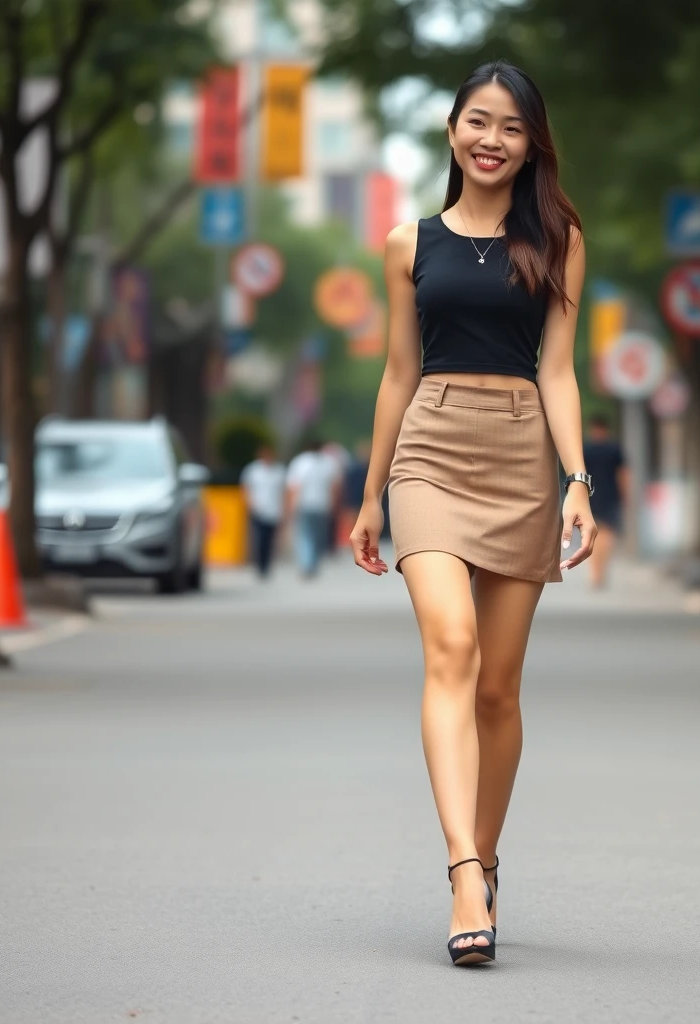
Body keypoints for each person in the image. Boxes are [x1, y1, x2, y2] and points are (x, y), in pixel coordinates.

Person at [349, 60, 596, 966]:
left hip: (524, 452)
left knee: (498, 686)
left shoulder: (560, 236)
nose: (492, 140)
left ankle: (487, 860)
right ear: (451, 130)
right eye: (477, 122)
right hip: (432, 449)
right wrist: (372, 495)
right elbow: (397, 375)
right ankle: (462, 873)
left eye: (513, 127)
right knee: (450, 647)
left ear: (533, 143)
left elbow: (560, 369)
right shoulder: (407, 244)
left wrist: (579, 480)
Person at [583, 413, 629, 589]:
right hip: (611, 496)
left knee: (592, 536)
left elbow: (581, 474)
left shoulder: (586, 450)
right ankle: (600, 571)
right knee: (607, 536)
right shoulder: (614, 449)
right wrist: (625, 495)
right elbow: (623, 474)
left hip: (592, 496)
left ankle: (596, 573)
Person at [285, 439, 342, 578]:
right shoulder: (329, 463)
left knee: (305, 535)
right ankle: (312, 563)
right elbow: (334, 486)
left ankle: (307, 563)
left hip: (304, 504)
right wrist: (334, 504)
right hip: (323, 504)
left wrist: (291, 505)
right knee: (318, 536)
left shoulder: (300, 462)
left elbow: (294, 485)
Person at [240, 443, 285, 579]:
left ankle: (266, 565)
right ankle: (259, 564)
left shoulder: (278, 471)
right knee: (259, 539)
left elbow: (284, 491)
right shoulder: (253, 470)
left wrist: (284, 509)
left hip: (273, 511)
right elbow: (246, 488)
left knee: (269, 540)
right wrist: (250, 504)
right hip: (258, 510)